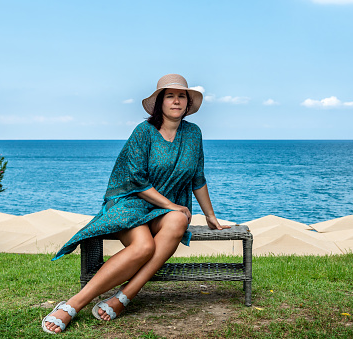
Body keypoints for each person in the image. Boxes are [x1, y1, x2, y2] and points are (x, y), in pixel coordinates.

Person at [42, 74, 229, 334]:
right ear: (160, 103)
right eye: (170, 95)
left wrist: (210, 215)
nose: (176, 100)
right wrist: (173, 205)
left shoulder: (193, 134)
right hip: (130, 203)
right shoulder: (144, 132)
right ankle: (73, 304)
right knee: (143, 247)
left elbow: (198, 177)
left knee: (178, 220)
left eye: (181, 96)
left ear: (187, 103)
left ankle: (124, 296)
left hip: (163, 210)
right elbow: (137, 181)